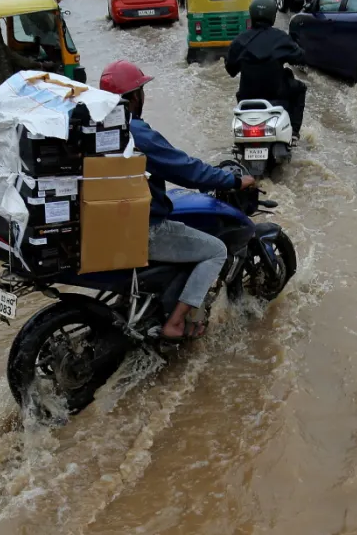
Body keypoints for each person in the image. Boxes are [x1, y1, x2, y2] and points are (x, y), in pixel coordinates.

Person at [100, 60, 256, 341]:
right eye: (142, 91)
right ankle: (175, 322)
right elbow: (185, 169)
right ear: (135, 96)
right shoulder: (136, 133)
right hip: (142, 230)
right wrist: (231, 180)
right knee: (215, 251)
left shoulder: (94, 128)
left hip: (105, 227)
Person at [225, 0, 308, 137]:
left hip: (246, 99)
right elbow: (300, 57)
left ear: (252, 15)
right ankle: (293, 132)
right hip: (277, 96)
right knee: (300, 89)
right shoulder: (281, 38)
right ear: (273, 15)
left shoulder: (240, 40)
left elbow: (231, 69)